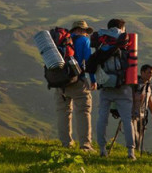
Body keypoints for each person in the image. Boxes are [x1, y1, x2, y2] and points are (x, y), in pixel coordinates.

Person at [95, 18, 136, 159]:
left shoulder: (102, 41)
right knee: (127, 120)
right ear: (122, 28)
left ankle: (102, 149)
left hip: (105, 86)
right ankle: (131, 151)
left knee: (102, 118)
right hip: (123, 87)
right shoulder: (124, 40)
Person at [54, 20, 97, 151]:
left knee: (63, 111)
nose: (86, 34)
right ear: (81, 30)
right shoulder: (84, 41)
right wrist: (93, 80)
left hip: (60, 81)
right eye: (85, 31)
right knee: (83, 112)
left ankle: (66, 143)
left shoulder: (62, 41)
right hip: (78, 81)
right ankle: (85, 145)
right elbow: (88, 62)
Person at [132, 64, 152, 152]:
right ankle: (134, 151)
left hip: (142, 114)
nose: (151, 75)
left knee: (140, 134)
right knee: (134, 135)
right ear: (142, 72)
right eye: (149, 72)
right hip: (133, 113)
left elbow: (150, 100)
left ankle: (138, 151)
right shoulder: (134, 83)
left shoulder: (149, 86)